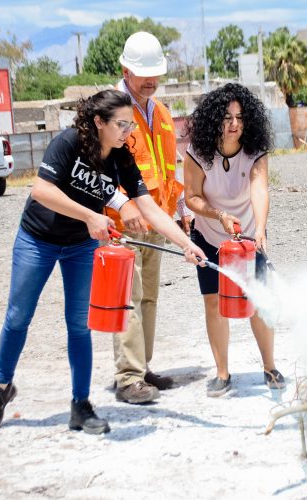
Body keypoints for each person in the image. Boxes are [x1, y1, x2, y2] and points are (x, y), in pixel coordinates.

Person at [0, 90, 207, 434]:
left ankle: (81, 405)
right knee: (18, 315)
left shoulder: (121, 157)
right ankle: (0, 390)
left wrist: (186, 243)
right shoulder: (68, 142)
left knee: (79, 325)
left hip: (80, 247)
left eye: (131, 125)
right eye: (121, 124)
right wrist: (90, 216)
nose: (128, 132)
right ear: (99, 122)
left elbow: (148, 207)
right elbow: (41, 191)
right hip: (37, 239)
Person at [105, 32, 192, 404]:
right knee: (127, 297)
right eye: (144, 74)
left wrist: (183, 211)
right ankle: (127, 377)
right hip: (124, 224)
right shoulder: (111, 111)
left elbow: (169, 169)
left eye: (156, 73)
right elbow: (101, 170)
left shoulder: (161, 112)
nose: (151, 81)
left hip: (159, 219)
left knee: (150, 298)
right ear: (126, 69)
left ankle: (143, 368)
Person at [183, 83, 285, 397]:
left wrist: (261, 228)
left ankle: (270, 366)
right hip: (210, 236)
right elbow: (192, 198)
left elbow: (259, 189)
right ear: (214, 119)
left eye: (240, 117)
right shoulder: (197, 152)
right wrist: (219, 215)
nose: (234, 124)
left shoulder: (255, 150)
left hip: (248, 238)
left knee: (258, 302)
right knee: (214, 303)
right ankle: (222, 373)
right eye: (227, 117)